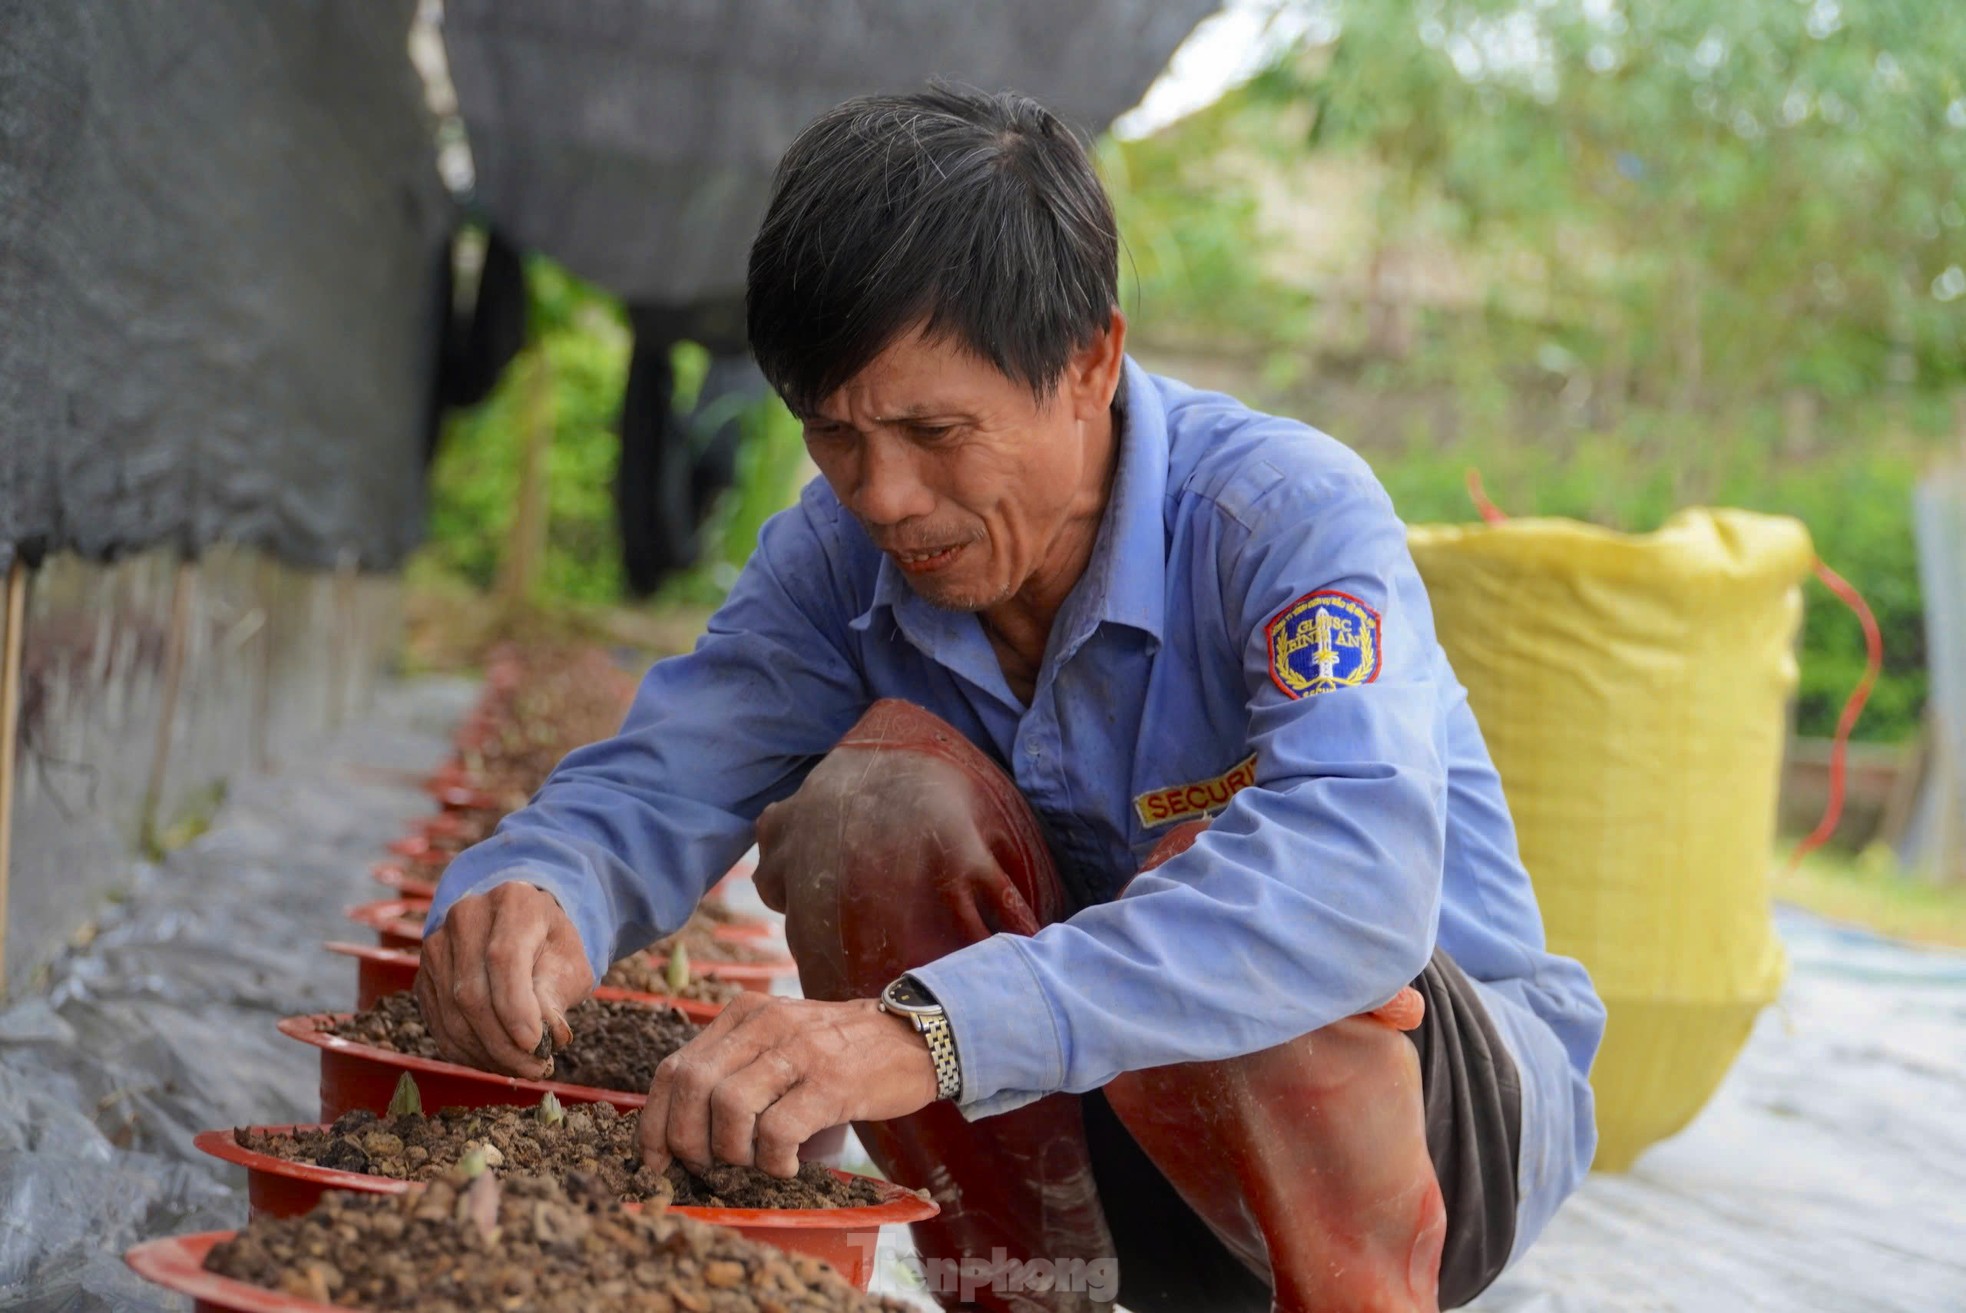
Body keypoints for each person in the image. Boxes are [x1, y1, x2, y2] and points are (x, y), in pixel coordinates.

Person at [418, 86, 1605, 1313]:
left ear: (1089, 360)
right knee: (870, 809)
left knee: (1261, 890)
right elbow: (670, 769)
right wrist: (542, 887)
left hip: (1428, 1141)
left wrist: (924, 1031)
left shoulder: (1280, 517)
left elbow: (1352, 882)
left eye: (935, 430)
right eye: (833, 435)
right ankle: (1018, 1294)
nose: (881, 495)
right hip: (1112, 1136)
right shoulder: (838, 555)